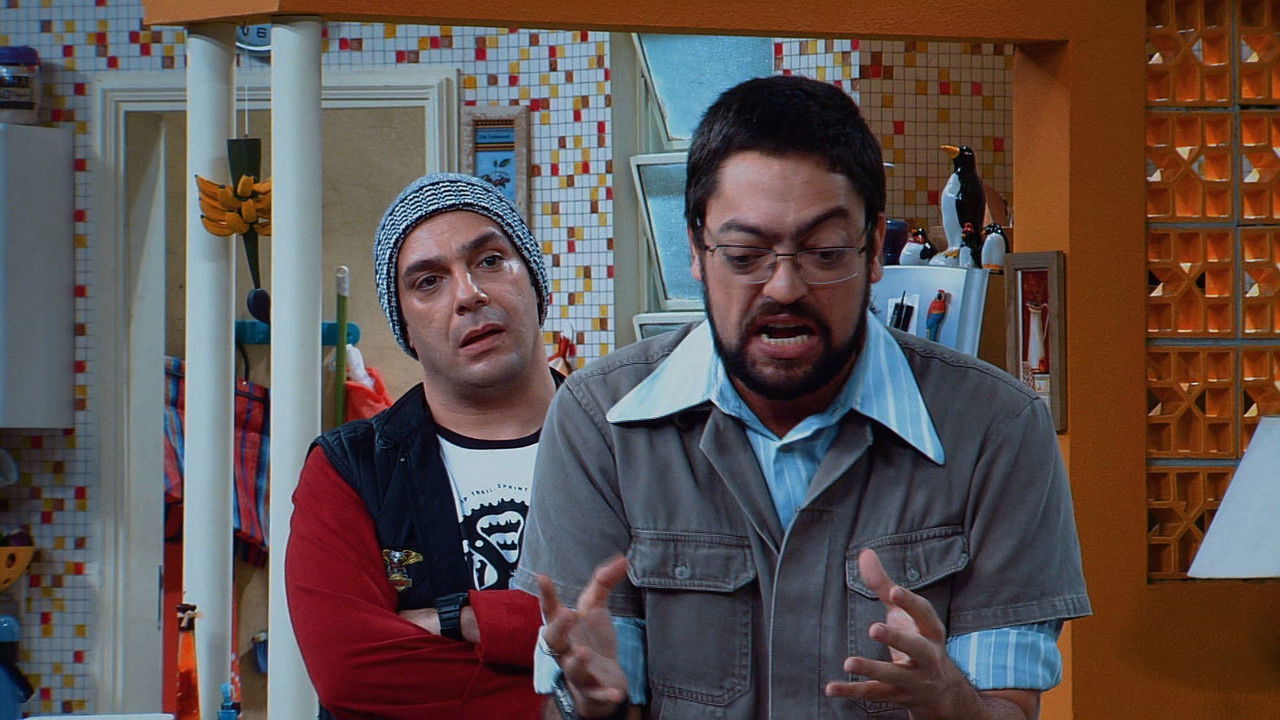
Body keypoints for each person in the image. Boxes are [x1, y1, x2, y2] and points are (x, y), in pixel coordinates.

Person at [514, 75, 1090, 720]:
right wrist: (589, 704)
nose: (784, 287)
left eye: (825, 252)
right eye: (744, 254)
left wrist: (949, 700)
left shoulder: (996, 428)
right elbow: (595, 695)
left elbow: (1008, 706)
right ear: (696, 250)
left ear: (874, 248)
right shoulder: (602, 422)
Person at [286, 173, 557, 719]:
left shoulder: (628, 444)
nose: (468, 295)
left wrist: (455, 620)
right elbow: (351, 671)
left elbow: (675, 637)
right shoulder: (350, 469)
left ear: (534, 281)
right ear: (405, 326)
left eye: (490, 261)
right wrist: (573, 701)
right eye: (429, 281)